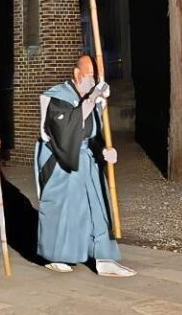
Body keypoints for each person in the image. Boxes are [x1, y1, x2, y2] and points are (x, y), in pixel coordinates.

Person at [36, 55, 136, 277]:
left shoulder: (96, 99)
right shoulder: (57, 98)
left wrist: (104, 150)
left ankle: (104, 256)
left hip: (87, 159)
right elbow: (64, 131)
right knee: (66, 210)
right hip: (62, 161)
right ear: (76, 74)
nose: (93, 80)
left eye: (96, 76)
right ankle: (59, 255)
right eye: (90, 75)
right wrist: (91, 101)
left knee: (97, 205)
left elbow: (93, 133)